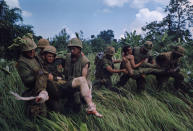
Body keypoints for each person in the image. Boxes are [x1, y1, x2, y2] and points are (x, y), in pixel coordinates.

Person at [62, 38, 102, 117]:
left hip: (79, 87)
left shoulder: (84, 61)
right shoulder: (67, 57)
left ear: (79, 49)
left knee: (77, 102)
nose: (72, 51)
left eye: (74, 49)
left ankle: (79, 114)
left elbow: (83, 80)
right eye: (70, 49)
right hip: (67, 84)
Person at [16, 34, 49, 118]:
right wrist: (38, 75)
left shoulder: (35, 57)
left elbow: (45, 57)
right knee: (40, 114)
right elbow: (27, 81)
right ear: (24, 51)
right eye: (29, 51)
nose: (32, 52)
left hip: (44, 84)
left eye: (33, 50)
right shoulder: (22, 62)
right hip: (33, 89)